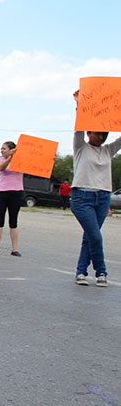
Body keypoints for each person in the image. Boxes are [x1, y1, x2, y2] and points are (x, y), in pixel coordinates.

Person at [70, 89, 121, 286]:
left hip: (103, 197)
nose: (101, 137)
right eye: (98, 133)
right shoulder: (80, 147)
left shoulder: (108, 150)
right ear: (89, 132)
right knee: (95, 237)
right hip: (82, 197)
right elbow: (78, 129)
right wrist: (80, 104)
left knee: (90, 237)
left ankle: (81, 272)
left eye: (104, 134)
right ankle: (101, 272)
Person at [0, 141, 24, 256]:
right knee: (0, 220)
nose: (2, 150)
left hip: (16, 192)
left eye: (4, 148)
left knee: (13, 221)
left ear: (12, 149)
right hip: (1, 192)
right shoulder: (0, 160)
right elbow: (1, 168)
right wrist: (10, 158)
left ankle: (14, 249)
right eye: (1, 148)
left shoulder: (21, 161)